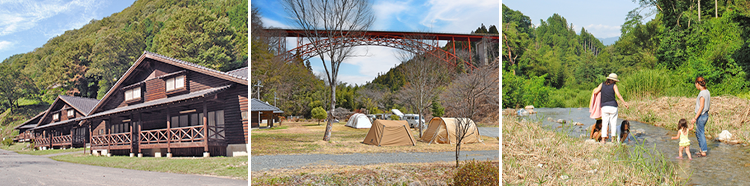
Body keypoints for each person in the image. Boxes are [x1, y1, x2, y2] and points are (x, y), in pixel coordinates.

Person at [592, 73, 629, 144]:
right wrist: (625, 103)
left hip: (604, 107)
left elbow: (595, 92)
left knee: (605, 123)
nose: (615, 82)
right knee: (613, 123)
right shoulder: (614, 86)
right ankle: (612, 139)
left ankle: (603, 140)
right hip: (613, 107)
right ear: (613, 80)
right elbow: (618, 95)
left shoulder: (602, 84)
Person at [689, 76, 710, 157]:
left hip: (701, 115)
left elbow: (701, 107)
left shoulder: (702, 93)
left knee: (700, 133)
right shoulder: (707, 91)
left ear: (698, 84)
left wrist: (695, 118)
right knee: (699, 132)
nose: (695, 86)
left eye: (695, 84)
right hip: (705, 115)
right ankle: (701, 150)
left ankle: (703, 151)